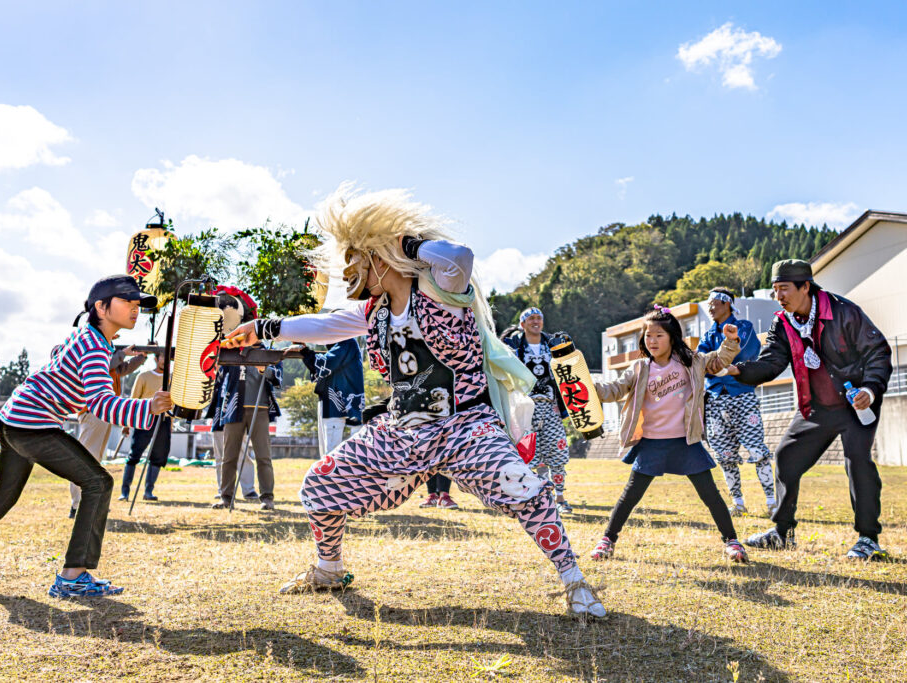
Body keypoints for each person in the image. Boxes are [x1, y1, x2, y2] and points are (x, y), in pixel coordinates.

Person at [223, 186, 605, 617]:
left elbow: (458, 256)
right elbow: (325, 325)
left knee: (526, 489)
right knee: (320, 485)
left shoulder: (443, 289)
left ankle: (574, 580)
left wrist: (401, 242)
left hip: (465, 424)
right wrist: (267, 327)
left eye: (355, 258)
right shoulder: (375, 312)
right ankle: (329, 570)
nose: (348, 271)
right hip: (402, 430)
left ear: (377, 257)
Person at [0, 275, 172, 597]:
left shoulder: (85, 338)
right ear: (101, 307)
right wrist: (147, 408)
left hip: (13, 419)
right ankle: (73, 578)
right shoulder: (93, 345)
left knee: (0, 499)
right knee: (98, 483)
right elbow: (100, 403)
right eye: (127, 301)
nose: (135, 308)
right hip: (33, 424)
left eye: (138, 304)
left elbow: (65, 368)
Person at [723, 260, 893, 559]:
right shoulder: (783, 321)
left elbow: (877, 350)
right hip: (815, 406)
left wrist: (869, 389)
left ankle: (868, 539)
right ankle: (782, 533)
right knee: (786, 457)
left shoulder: (843, 311)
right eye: (775, 290)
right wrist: (737, 370)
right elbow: (772, 363)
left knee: (858, 462)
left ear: (805, 286)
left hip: (855, 403)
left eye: (784, 289)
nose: (779, 297)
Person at [589, 306, 748, 563]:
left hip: (685, 441)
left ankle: (732, 541)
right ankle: (607, 540)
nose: (652, 341)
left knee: (710, 495)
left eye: (659, 335)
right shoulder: (640, 368)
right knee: (630, 496)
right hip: (651, 442)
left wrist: (730, 341)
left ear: (672, 336)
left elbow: (718, 361)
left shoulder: (691, 361)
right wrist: (589, 386)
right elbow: (615, 390)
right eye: (648, 336)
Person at [697, 288, 777, 517]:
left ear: (728, 304)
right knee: (723, 454)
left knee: (756, 448)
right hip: (714, 398)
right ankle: (738, 502)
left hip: (741, 394)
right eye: (709, 303)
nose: (711, 307)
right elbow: (701, 361)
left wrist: (719, 363)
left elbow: (747, 355)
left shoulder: (744, 327)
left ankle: (772, 501)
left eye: (715, 302)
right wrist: (717, 363)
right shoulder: (708, 334)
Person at [207, 296, 283, 511]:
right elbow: (219, 375)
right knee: (229, 456)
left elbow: (278, 378)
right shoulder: (232, 348)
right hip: (233, 405)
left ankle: (267, 497)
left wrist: (264, 369)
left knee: (263, 456)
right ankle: (226, 497)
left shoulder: (269, 351)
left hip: (260, 408)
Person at [501, 308, 573, 515]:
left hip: (551, 406)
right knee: (530, 453)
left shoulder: (553, 344)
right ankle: (540, 496)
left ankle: (560, 497)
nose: (536, 321)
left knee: (557, 451)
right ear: (522, 324)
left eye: (539, 318)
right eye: (530, 318)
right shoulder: (513, 345)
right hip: (525, 408)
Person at [68, 345, 147, 518]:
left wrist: (141, 357)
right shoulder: (95, 350)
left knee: (94, 459)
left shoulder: (108, 352)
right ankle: (77, 504)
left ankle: (88, 503)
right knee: (86, 458)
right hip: (93, 410)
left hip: (103, 411)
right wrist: (122, 354)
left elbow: (122, 369)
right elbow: (107, 364)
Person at [298, 337, 365, 457]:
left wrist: (303, 350)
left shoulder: (347, 342)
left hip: (337, 406)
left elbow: (324, 365)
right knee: (328, 454)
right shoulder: (342, 345)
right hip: (334, 402)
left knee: (330, 456)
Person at [119, 353, 171, 502]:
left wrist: (171, 424)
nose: (166, 361)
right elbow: (134, 399)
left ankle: (148, 491)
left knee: (158, 456)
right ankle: (125, 492)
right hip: (144, 418)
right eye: (163, 357)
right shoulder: (143, 376)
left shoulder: (172, 379)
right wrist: (127, 423)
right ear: (156, 359)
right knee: (134, 455)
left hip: (164, 421)